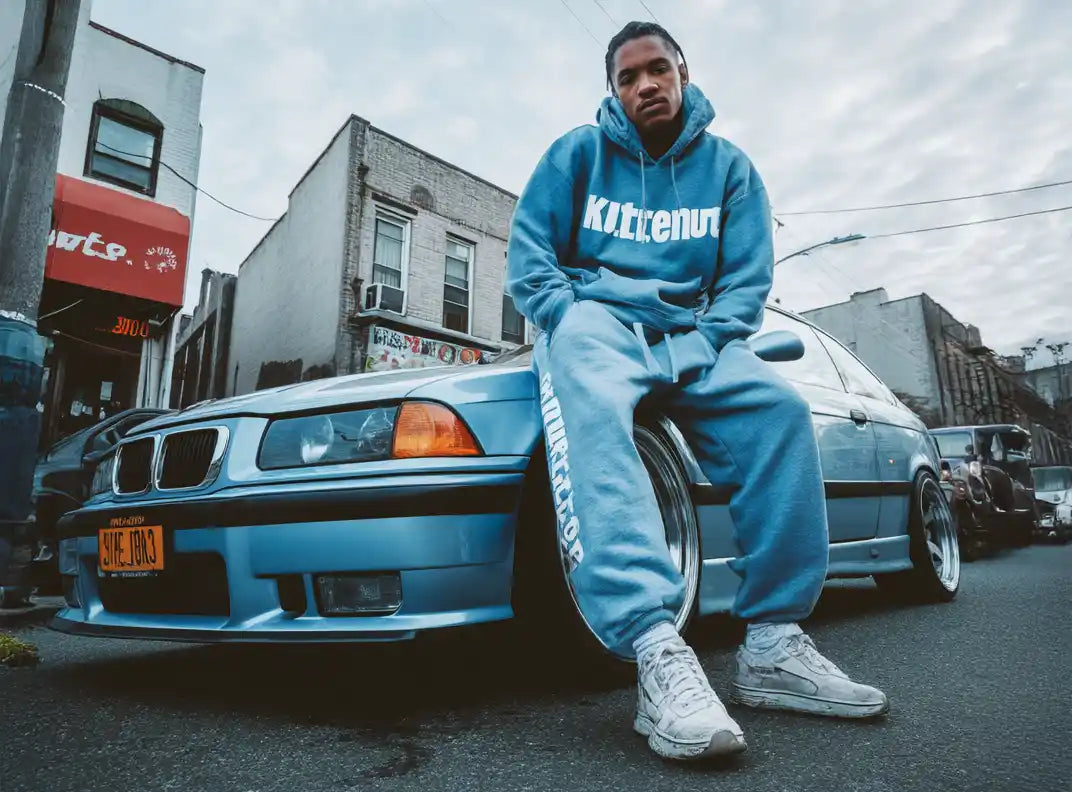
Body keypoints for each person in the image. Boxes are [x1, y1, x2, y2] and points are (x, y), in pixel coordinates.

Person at [506, 21, 889, 762]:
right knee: (592, 415)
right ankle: (654, 647)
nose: (645, 84)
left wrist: (703, 341)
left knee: (780, 412)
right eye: (627, 77)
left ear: (683, 74)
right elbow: (530, 260)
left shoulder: (729, 169)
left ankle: (773, 644)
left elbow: (745, 286)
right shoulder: (577, 154)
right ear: (613, 90)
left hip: (694, 333)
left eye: (658, 69)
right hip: (597, 324)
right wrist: (566, 316)